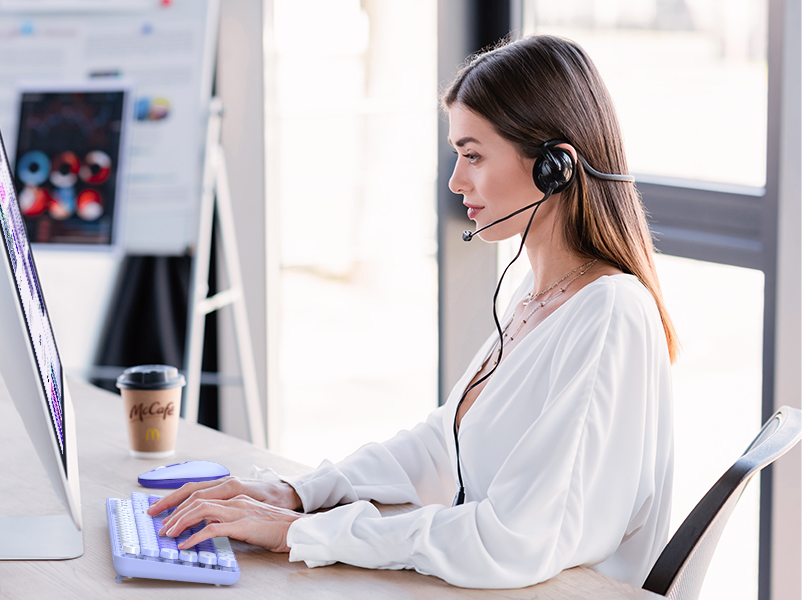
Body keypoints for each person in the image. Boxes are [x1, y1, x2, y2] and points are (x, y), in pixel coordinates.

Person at [151, 34, 677, 589]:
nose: (456, 182)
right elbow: (441, 444)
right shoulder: (541, 294)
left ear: (555, 168)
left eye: (473, 155)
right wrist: (298, 495)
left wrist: (301, 533)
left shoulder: (607, 314)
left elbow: (512, 541)